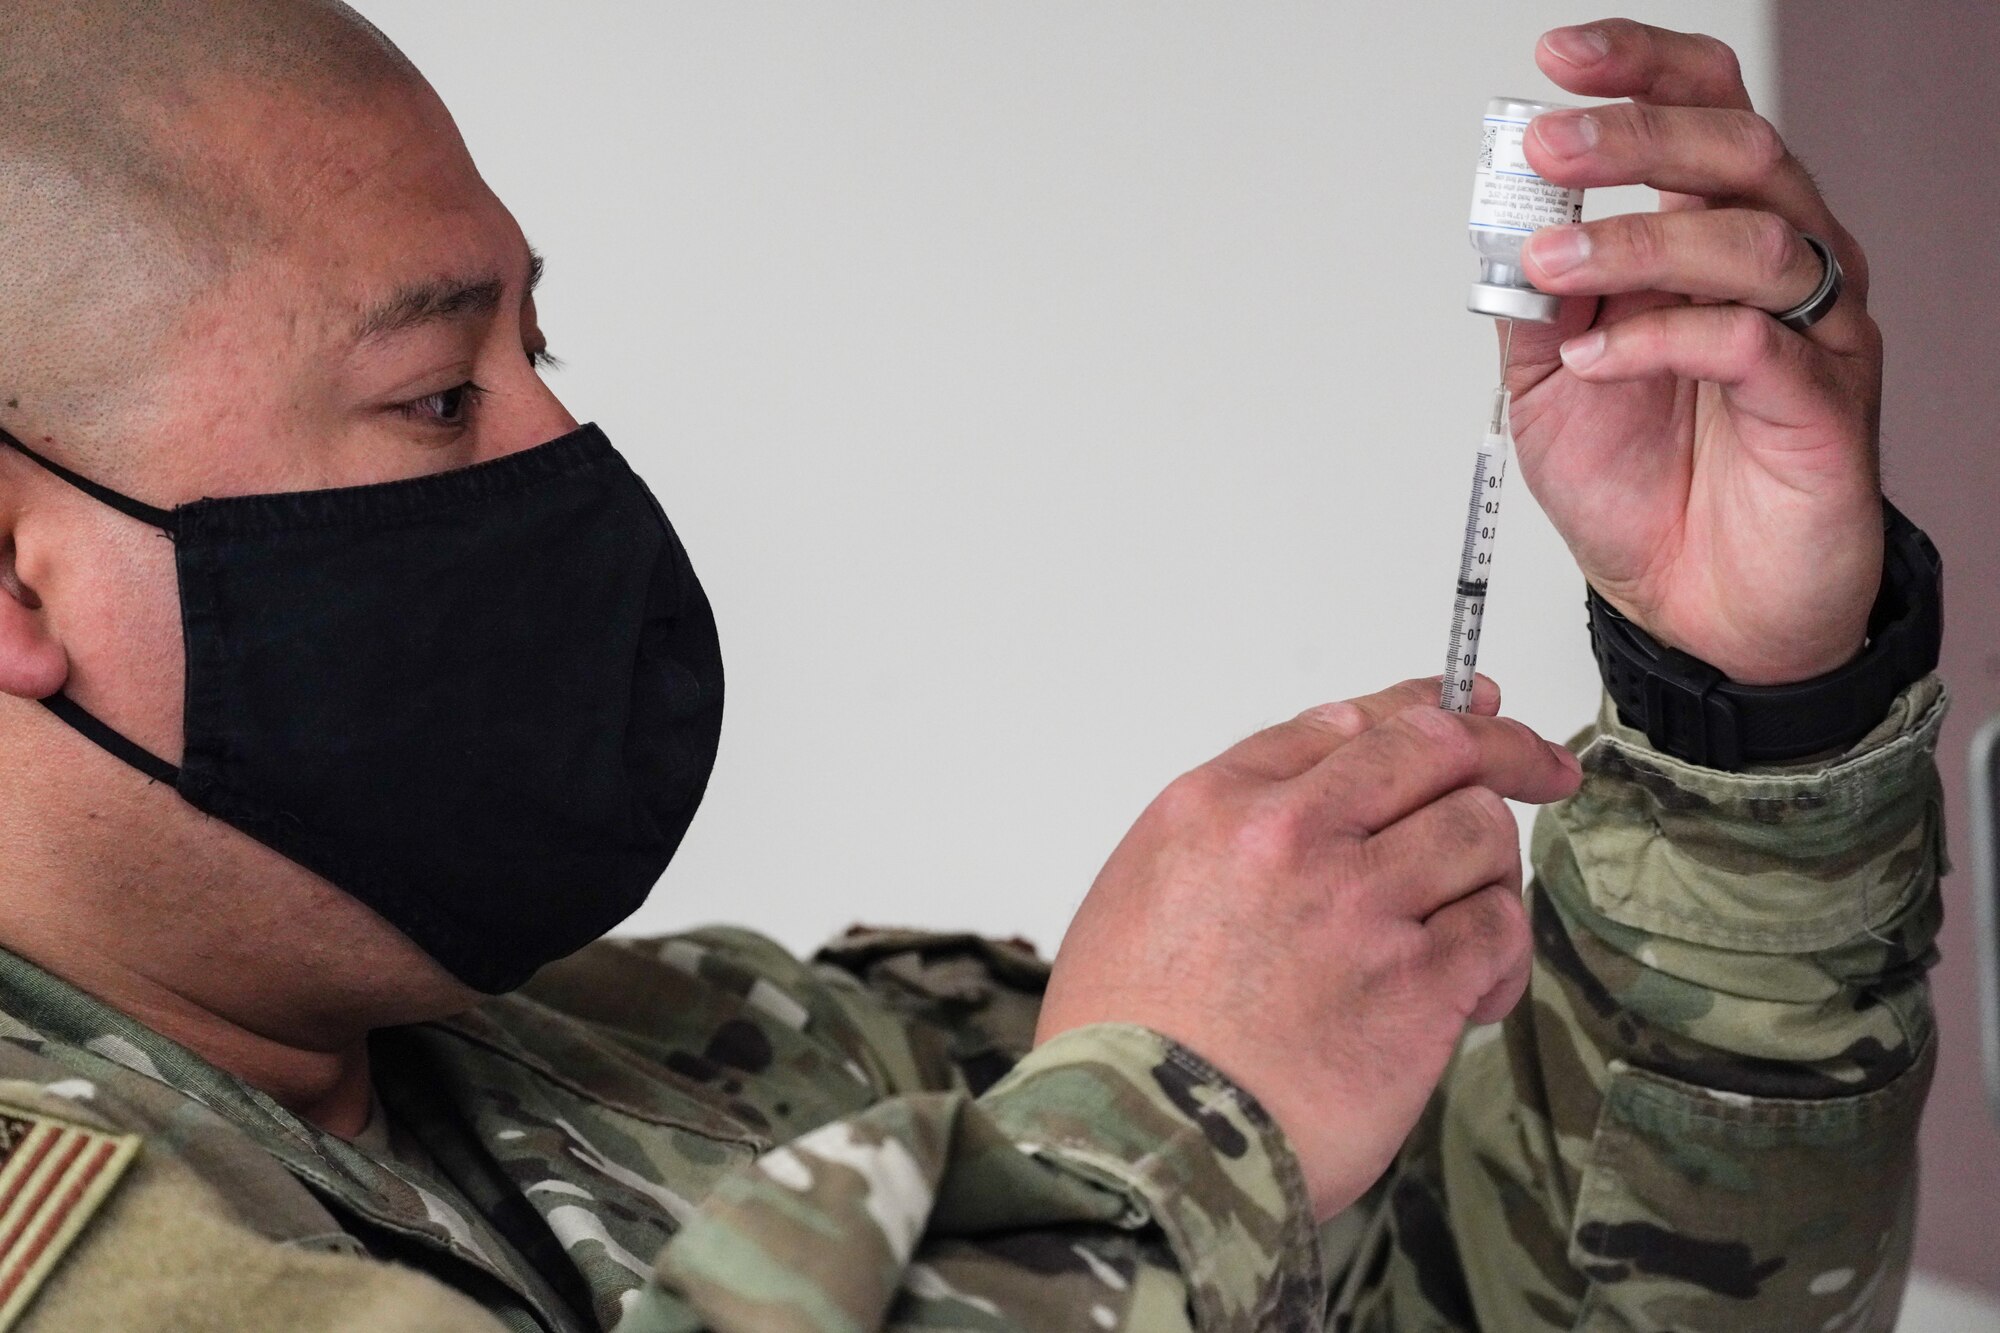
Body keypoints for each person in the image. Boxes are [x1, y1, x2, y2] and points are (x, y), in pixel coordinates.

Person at [0, 3, 1942, 1331]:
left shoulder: (723, 1070)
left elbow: (1610, 1291)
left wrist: (1740, 699)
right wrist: (1159, 1134)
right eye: (435, 394)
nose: (565, 460)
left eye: (541, 353)